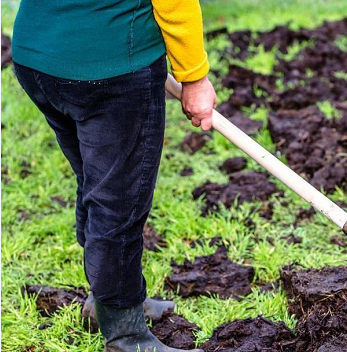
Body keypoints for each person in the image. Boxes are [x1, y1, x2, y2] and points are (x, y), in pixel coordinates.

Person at [12, 0, 216, 351]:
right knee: (117, 202)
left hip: (38, 57)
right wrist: (194, 76)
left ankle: (109, 299)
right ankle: (126, 334)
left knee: (97, 182)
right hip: (110, 69)